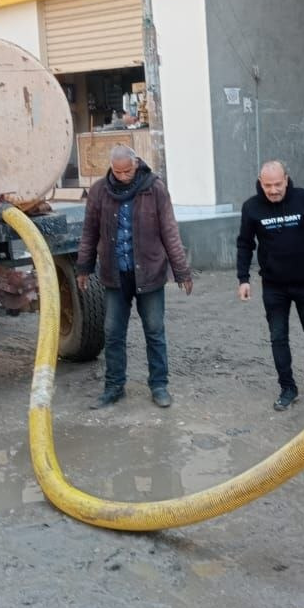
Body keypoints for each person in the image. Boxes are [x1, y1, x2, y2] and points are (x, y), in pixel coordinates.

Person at [77, 144, 192, 409]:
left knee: (154, 330)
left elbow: (170, 231)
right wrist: (84, 268)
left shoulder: (155, 188)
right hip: (115, 275)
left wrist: (181, 270)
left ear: (136, 163)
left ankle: (159, 386)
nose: (122, 176)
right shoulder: (99, 191)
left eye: (127, 171)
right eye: (117, 172)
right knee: (113, 333)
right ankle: (114, 387)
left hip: (149, 273)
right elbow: (89, 232)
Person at [237, 160, 304, 411]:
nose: (273, 190)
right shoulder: (251, 207)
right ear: (260, 183)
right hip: (273, 287)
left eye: (278, 184)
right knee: (278, 339)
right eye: (268, 185)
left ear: (286, 179)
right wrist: (243, 279)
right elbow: (245, 244)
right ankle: (288, 388)